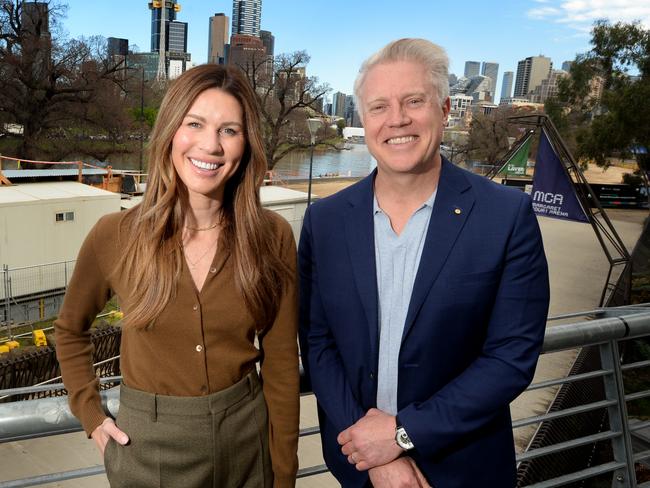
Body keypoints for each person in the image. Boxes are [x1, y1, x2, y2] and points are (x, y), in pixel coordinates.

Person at [298, 39, 549, 487]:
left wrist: (401, 435)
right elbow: (318, 342)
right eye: (379, 107)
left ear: (445, 108)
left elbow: (510, 357)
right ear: (364, 118)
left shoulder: (505, 216)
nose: (397, 119)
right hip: (360, 469)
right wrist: (374, 453)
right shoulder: (326, 221)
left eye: (414, 101)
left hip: (463, 468)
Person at [55, 64, 299, 488]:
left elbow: (279, 364)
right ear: (170, 131)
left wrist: (283, 474)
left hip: (247, 442)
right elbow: (69, 331)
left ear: (246, 144)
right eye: (195, 124)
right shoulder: (114, 236)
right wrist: (92, 416)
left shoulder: (272, 236)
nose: (211, 145)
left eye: (229, 130)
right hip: (148, 451)